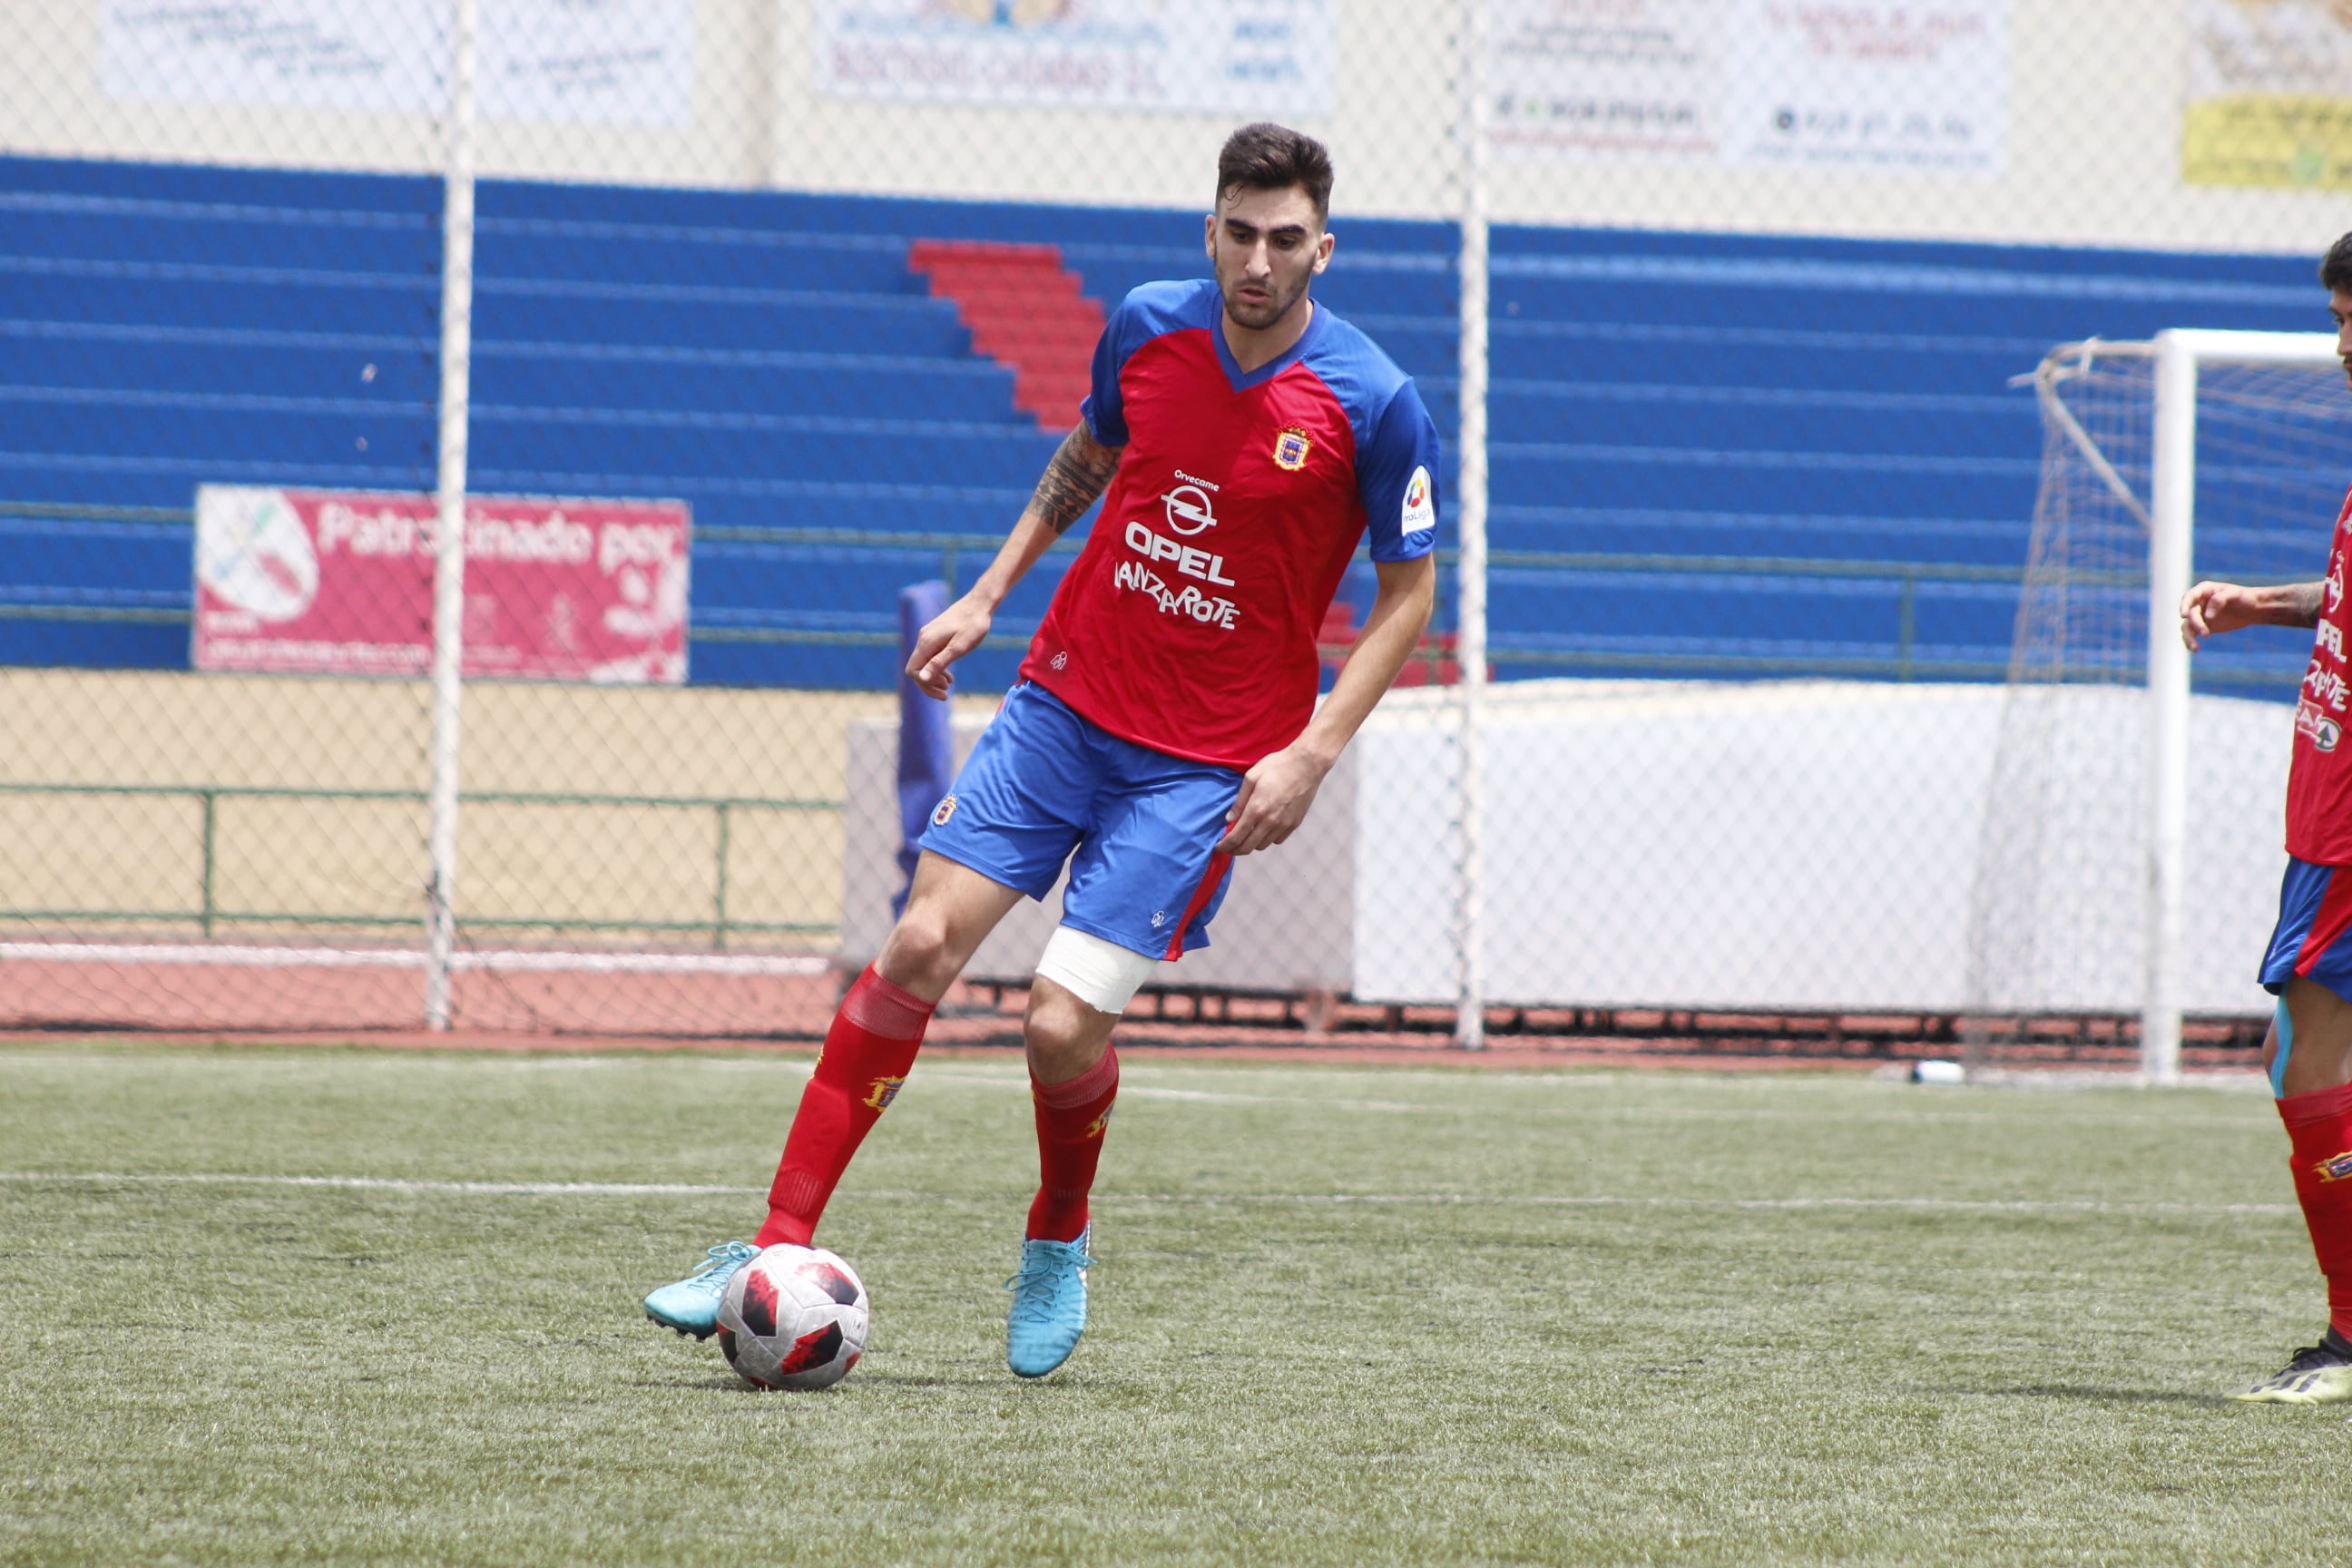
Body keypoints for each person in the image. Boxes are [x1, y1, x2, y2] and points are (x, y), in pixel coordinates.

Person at [642, 122, 1442, 1378]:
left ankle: (1058, 1234)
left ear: (1322, 250)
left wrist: (1313, 752)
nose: (1259, 260)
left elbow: (1409, 596)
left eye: (1287, 240)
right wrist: (987, 594)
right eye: (1240, 232)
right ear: (1211, 231)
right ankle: (768, 1245)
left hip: (1202, 768)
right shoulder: (1144, 325)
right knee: (913, 943)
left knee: (1059, 1025)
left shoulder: (1372, 401)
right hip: (1063, 703)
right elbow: (1089, 454)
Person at [2179, 230, 2352, 1404]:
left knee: (2305, 1056)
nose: (2343, 346)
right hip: (2325, 812)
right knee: (2298, 1051)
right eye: (2340, 322)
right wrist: (2266, 605)